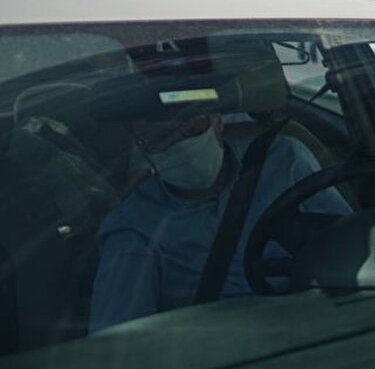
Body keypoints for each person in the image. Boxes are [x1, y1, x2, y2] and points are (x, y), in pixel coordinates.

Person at [89, 107, 348, 332]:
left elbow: (351, 240)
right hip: (224, 359)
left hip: (323, 327)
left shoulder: (283, 158)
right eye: (161, 138)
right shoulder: (134, 226)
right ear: (144, 152)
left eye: (190, 127)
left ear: (218, 121)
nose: (180, 143)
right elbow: (118, 342)